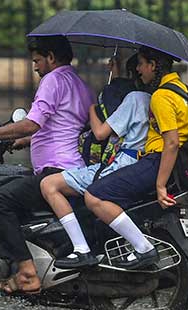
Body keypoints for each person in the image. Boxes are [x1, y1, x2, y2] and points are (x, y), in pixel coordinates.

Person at [0, 36, 94, 293]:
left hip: (54, 171)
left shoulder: (52, 80)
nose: (35, 67)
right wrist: (25, 141)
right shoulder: (80, 84)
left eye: (37, 60)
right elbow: (65, 128)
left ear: (51, 57)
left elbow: (33, 122)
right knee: (13, 187)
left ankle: (27, 273)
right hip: (71, 168)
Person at [83, 46, 188, 270]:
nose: (139, 69)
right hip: (165, 162)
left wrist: (160, 186)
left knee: (94, 195)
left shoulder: (161, 96)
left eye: (142, 63)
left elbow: (171, 142)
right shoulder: (181, 90)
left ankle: (144, 248)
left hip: (156, 161)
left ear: (153, 65)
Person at [40, 54, 151, 269]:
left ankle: (81, 249)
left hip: (123, 164)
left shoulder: (135, 98)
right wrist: (117, 70)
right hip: (141, 164)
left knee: (49, 184)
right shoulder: (154, 97)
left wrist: (92, 108)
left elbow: (100, 133)